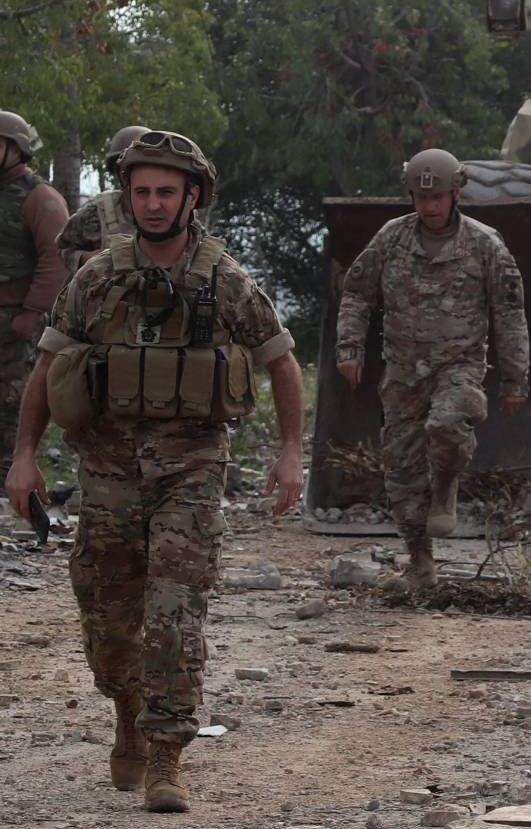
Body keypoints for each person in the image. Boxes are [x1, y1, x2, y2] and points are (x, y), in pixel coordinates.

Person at [4, 130, 305, 814]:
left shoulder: (224, 277)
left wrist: (292, 451)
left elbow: (281, 361)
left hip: (190, 470)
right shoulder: (98, 276)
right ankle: (128, 708)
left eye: (166, 190)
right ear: (127, 198)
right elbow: (48, 367)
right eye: (141, 191)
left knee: (174, 612)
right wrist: (24, 456)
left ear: (191, 196)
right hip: (107, 471)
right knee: (108, 629)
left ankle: (166, 752)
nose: (153, 202)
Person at [335, 148, 528, 588]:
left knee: (446, 423)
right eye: (420, 199)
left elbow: (510, 313)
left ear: (457, 192)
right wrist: (350, 347)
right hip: (402, 371)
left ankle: (445, 484)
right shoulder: (391, 238)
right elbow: (357, 293)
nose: (429, 207)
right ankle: (420, 563)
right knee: (400, 468)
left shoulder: (484, 245)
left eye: (438, 197)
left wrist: (515, 378)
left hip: (458, 367)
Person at [0, 111, 70, 461]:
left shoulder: (39, 197)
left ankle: (9, 478)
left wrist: (31, 313)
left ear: (15, 149)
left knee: (11, 401)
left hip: (16, 318)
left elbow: (56, 258)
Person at [57, 124, 150, 270]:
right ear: (117, 171)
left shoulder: (176, 209)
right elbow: (64, 248)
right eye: (129, 166)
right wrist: (84, 258)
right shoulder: (99, 211)